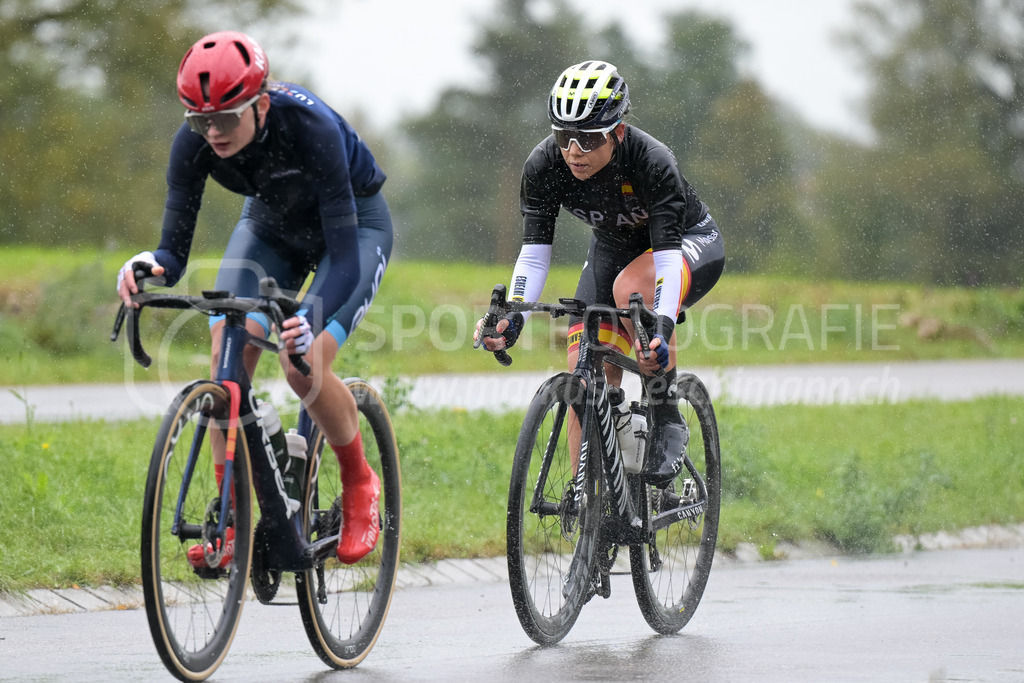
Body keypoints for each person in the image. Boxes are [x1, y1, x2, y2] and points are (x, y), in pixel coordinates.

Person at [116, 31, 392, 566]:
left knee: (302, 363)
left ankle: (360, 481)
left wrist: (307, 319)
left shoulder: (311, 128)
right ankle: (234, 509)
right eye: (201, 121)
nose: (212, 133)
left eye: (225, 119)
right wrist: (146, 264)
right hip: (272, 226)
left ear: (260, 104)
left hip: (353, 230)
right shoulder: (193, 141)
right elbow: (172, 252)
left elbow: (345, 258)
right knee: (227, 346)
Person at [477, 60, 724, 484]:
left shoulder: (652, 161)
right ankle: (590, 513)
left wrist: (660, 331)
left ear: (618, 132)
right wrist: (513, 314)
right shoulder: (543, 165)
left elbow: (664, 262)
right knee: (584, 377)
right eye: (564, 135)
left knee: (633, 287)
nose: (574, 150)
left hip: (682, 246)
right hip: (611, 251)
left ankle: (665, 413)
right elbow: (534, 256)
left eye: (588, 138)